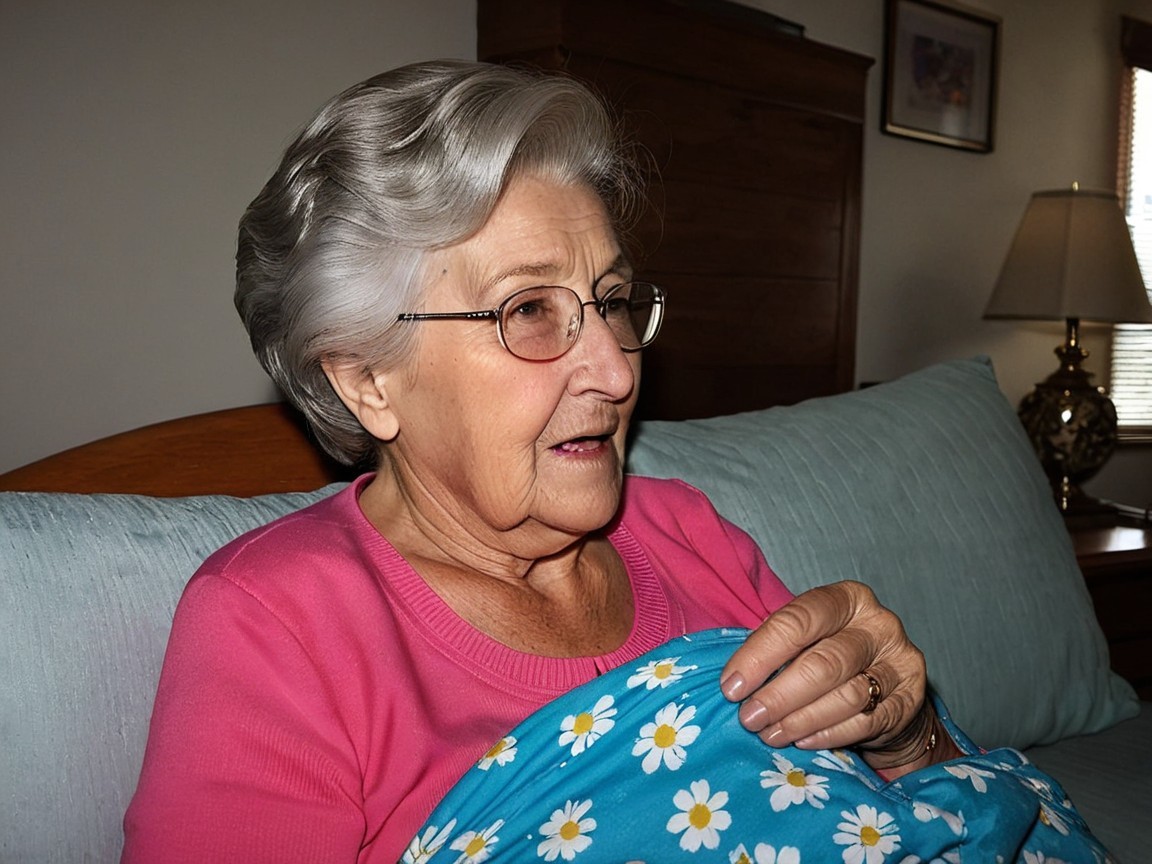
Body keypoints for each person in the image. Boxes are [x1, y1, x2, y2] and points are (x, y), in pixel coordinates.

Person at [121, 61, 1104, 863]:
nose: (614, 366)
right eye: (530, 311)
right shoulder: (277, 621)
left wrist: (903, 730)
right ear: (369, 380)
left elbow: (882, 815)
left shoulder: (686, 529)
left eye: (614, 300)